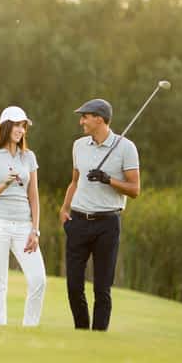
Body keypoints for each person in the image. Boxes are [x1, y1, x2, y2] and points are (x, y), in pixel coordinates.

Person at [58, 98, 140, 331]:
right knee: (74, 285)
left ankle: (98, 337)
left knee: (102, 288)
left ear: (99, 119)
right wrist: (65, 209)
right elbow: (74, 181)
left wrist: (108, 180)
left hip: (107, 223)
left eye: (85, 116)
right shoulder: (79, 146)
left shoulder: (126, 148)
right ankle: (82, 332)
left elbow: (134, 189)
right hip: (78, 220)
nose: (81, 121)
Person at [0, 106, 46, 327]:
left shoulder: (29, 157)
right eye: (16, 125)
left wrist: (35, 230)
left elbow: (34, 197)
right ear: (6, 126)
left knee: (38, 280)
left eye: (23, 125)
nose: (20, 130)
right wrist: (5, 183)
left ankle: (30, 328)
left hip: (23, 226)